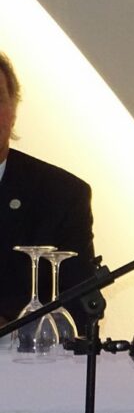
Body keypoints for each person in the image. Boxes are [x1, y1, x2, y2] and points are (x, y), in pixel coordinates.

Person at [0, 52, 96, 330]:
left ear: (14, 111)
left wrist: (10, 325)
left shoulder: (61, 195)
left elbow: (79, 307)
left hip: (22, 352)